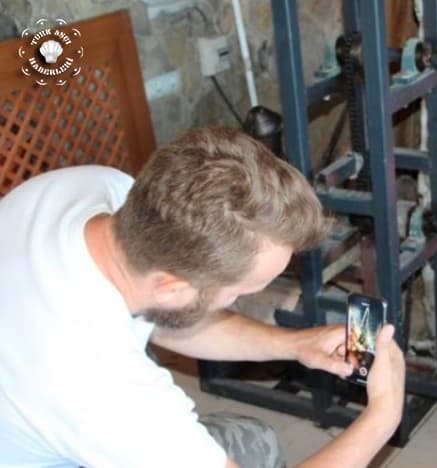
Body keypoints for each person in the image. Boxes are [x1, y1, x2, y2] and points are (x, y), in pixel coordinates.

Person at [0, 126, 406, 468]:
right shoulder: (103, 389)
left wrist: (295, 344)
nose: (246, 297)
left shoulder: (84, 189)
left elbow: (165, 315)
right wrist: (382, 416)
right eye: (240, 291)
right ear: (171, 285)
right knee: (256, 444)